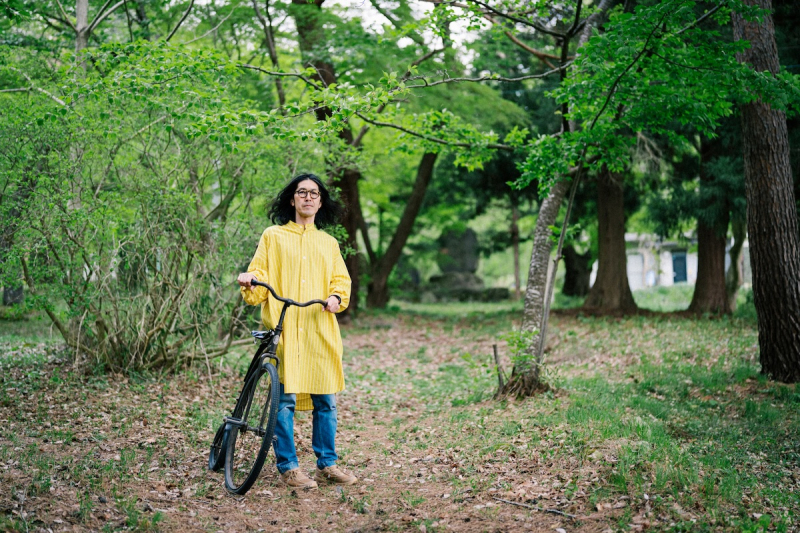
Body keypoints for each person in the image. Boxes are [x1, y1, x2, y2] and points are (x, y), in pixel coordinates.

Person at [237, 173, 356, 489]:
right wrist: (251, 281)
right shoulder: (273, 236)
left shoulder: (328, 243)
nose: (307, 197)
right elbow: (259, 274)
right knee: (284, 401)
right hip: (286, 331)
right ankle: (289, 467)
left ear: (320, 201)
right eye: (301, 192)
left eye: (313, 193)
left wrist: (335, 297)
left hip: (320, 332)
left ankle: (327, 465)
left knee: (326, 401)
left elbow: (341, 281)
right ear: (292, 199)